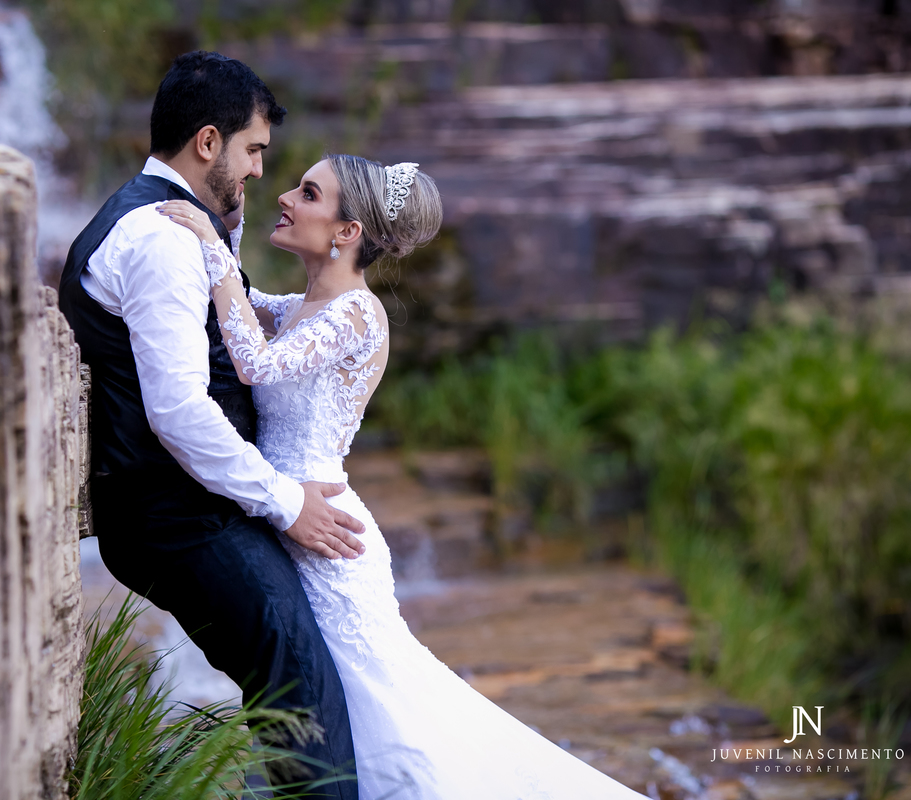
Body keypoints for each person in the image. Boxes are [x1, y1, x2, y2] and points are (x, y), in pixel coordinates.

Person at [158, 154, 651, 799]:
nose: (286, 197)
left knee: (372, 705)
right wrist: (226, 230)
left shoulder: (358, 315)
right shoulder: (305, 307)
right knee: (323, 697)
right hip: (288, 513)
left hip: (325, 534)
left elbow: (254, 363)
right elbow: (242, 308)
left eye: (308, 193)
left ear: (347, 232)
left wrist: (212, 247)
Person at [58, 51, 362, 799]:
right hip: (179, 518)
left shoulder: (172, 223)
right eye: (253, 150)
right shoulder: (159, 239)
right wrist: (288, 504)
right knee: (306, 706)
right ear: (207, 142)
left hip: (193, 506)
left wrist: (227, 227)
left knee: (302, 706)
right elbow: (180, 412)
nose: (259, 169)